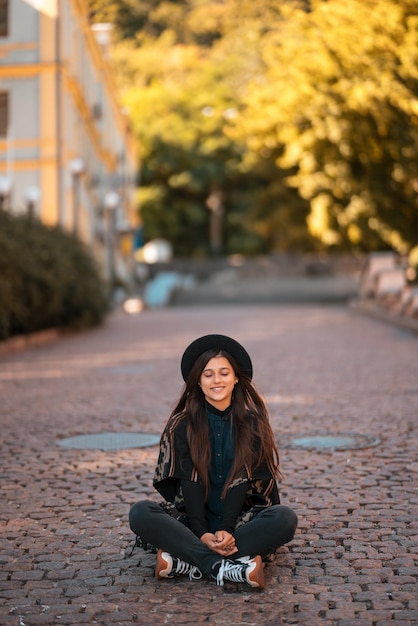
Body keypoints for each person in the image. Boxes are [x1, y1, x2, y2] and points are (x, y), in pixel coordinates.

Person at [129, 334, 297, 589]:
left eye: (224, 373)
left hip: (241, 521)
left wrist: (227, 529)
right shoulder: (181, 425)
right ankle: (224, 567)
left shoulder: (253, 424)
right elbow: (188, 482)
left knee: (284, 518)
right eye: (208, 374)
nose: (216, 380)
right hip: (191, 522)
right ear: (198, 380)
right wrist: (202, 533)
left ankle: (184, 560)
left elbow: (243, 482)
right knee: (140, 512)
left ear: (236, 378)